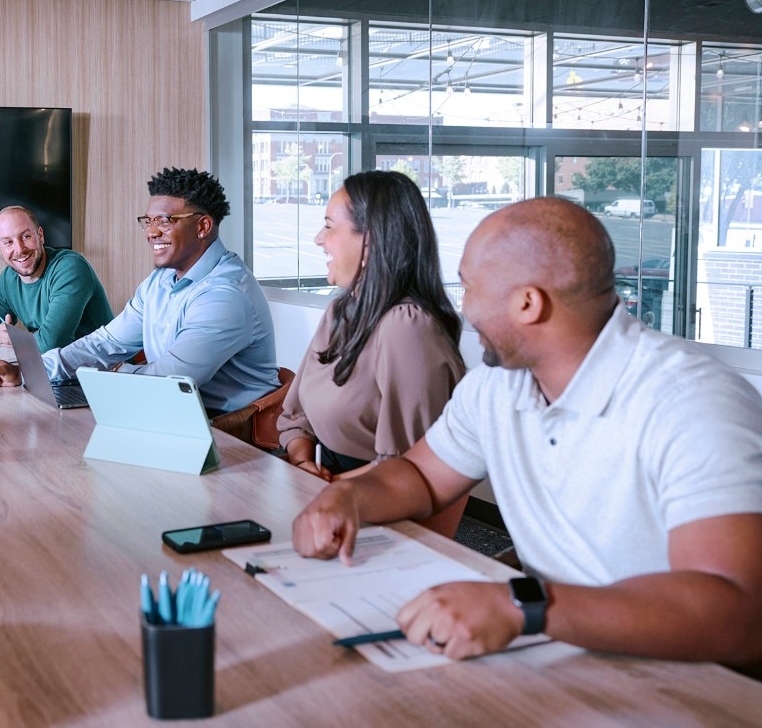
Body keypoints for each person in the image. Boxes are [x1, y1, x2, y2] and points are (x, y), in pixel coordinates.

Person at [291, 197, 762, 665]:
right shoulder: (498, 385)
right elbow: (421, 477)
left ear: (528, 304)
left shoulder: (693, 401)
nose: (463, 309)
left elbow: (736, 614)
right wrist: (350, 497)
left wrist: (520, 605)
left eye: (470, 288)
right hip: (554, 651)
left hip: (681, 681)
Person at [0, 168, 279, 415]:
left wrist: (115, 373)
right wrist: (27, 372)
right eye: (148, 221)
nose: (151, 232)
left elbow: (170, 381)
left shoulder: (225, 294)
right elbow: (105, 343)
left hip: (229, 435)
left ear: (202, 226)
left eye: (165, 221)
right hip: (171, 414)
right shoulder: (160, 282)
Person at [277, 171, 465, 478]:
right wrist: (303, 464)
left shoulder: (407, 327)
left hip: (376, 502)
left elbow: (408, 468)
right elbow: (297, 418)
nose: (318, 239)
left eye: (328, 226)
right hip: (326, 484)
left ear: (370, 241)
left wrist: (330, 486)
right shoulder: (341, 311)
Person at [0, 205, 113, 352]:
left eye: (26, 236)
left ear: (40, 236)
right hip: (58, 366)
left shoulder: (70, 268)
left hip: (106, 368)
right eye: (8, 242)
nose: (19, 249)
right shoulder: (9, 278)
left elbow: (52, 342)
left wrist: (17, 341)